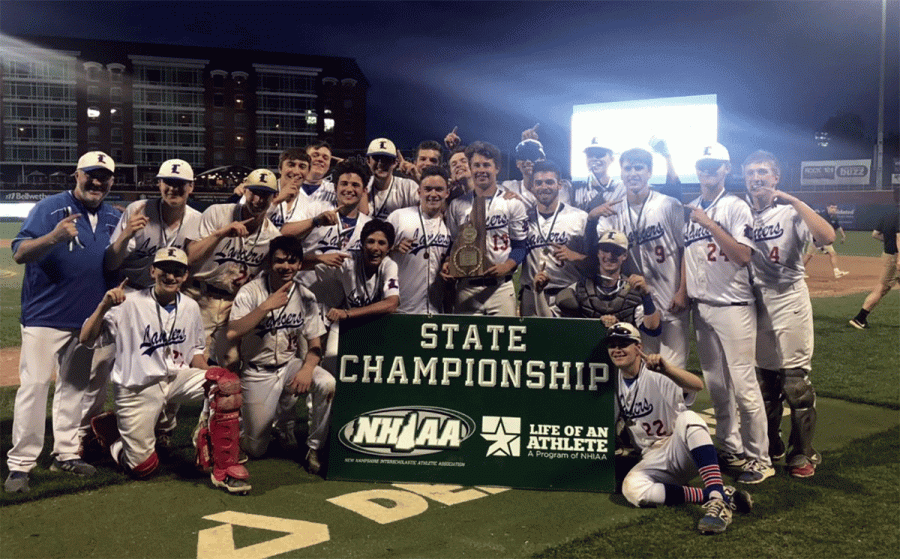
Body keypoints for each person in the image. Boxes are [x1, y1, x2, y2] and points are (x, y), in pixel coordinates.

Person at [79, 248, 250, 494]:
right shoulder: (129, 303)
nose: (171, 276)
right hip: (137, 386)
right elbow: (86, 338)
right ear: (152, 271)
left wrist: (213, 378)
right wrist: (105, 305)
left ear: (185, 275)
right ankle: (114, 439)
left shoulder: (190, 307)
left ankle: (226, 466)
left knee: (225, 385)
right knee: (143, 468)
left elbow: (195, 353)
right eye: (165, 270)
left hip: (175, 378)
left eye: (177, 271)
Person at [5, 151, 121, 493]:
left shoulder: (114, 217)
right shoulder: (50, 207)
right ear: (77, 175)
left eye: (104, 176)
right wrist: (53, 237)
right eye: (91, 175)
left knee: (73, 389)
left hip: (86, 320)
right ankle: (21, 464)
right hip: (45, 316)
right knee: (36, 386)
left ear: (112, 181)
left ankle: (66, 453)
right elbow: (20, 252)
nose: (97, 182)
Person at [606, 322, 752, 535]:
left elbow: (696, 385)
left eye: (624, 344)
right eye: (612, 345)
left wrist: (668, 369)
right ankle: (716, 495)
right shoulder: (612, 382)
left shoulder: (657, 373)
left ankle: (716, 502)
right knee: (632, 489)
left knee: (689, 418)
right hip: (652, 458)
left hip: (680, 449)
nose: (617, 349)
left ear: (638, 347)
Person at [683, 143, 772, 484]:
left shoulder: (735, 207)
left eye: (714, 165)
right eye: (703, 164)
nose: (707, 170)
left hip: (734, 307)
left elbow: (742, 256)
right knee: (717, 386)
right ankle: (730, 447)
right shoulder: (691, 207)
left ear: (725, 170)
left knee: (744, 385)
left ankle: (759, 458)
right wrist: (683, 291)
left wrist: (709, 224)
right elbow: (686, 257)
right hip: (702, 307)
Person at [744, 150, 831, 478]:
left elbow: (827, 237)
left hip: (789, 300)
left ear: (775, 177)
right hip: (757, 305)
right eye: (752, 172)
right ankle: (771, 442)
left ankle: (801, 452)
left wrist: (793, 200)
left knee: (795, 383)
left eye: (763, 172)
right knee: (765, 384)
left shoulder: (790, 213)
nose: (757, 178)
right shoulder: (741, 213)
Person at [226, 236, 335, 474]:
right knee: (255, 449)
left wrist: (307, 369)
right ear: (269, 262)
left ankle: (314, 447)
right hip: (257, 371)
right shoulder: (251, 291)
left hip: (288, 366)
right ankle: (255, 425)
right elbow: (234, 331)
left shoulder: (305, 295)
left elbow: (316, 342)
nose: (286, 267)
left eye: (292, 261)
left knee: (327, 384)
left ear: (299, 265)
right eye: (280, 261)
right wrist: (266, 306)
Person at [597, 148, 689, 368]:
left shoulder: (668, 204)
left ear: (649, 172)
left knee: (673, 369)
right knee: (644, 366)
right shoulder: (613, 211)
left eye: (639, 168)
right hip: (638, 304)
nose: (633, 173)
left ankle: (679, 404)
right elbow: (606, 256)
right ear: (621, 172)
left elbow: (685, 250)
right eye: (627, 168)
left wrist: (682, 291)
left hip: (671, 298)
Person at [186, 169, 280, 365]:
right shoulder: (217, 213)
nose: (258, 199)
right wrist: (220, 234)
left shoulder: (272, 236)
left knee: (231, 361)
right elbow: (191, 257)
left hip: (233, 303)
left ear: (274, 197)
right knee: (190, 362)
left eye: (265, 194)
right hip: (198, 296)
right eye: (253, 191)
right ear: (244, 191)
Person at [444, 141, 528, 316]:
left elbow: (521, 246)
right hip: (467, 287)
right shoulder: (457, 205)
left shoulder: (512, 202)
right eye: (476, 165)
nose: (481, 170)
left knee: (504, 340)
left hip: (500, 287)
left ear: (497, 168)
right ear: (470, 168)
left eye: (486, 165)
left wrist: (508, 265)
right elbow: (452, 245)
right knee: (465, 341)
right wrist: (447, 263)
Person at [283, 159, 373, 313]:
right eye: (344, 183)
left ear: (364, 191)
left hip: (340, 308)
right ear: (335, 187)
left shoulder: (368, 225)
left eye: (355, 185)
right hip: (302, 300)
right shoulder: (315, 209)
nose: (349, 189)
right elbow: (284, 234)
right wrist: (315, 221)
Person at [533, 229, 660, 335]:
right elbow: (548, 321)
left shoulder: (634, 290)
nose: (610, 256)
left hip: (621, 357)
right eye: (605, 250)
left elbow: (653, 330)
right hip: (586, 355)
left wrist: (646, 295)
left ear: (624, 256)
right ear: (598, 253)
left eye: (616, 251)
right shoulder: (579, 288)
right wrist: (538, 293)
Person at [316, 219, 400, 369]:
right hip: (347, 325)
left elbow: (392, 303)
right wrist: (318, 258)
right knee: (330, 362)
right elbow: (301, 264)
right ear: (362, 243)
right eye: (370, 241)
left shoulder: (389, 265)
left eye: (381, 243)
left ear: (390, 247)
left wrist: (348, 313)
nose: (375, 248)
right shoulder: (348, 261)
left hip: (378, 326)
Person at [106, 159, 202, 289]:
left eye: (180, 183)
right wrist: (126, 234)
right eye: (168, 182)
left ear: (191, 186)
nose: (173, 188)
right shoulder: (138, 210)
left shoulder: (197, 219)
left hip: (170, 293)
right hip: (131, 289)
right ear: (159, 184)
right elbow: (111, 263)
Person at [520, 160, 588, 316]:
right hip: (531, 293)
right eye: (539, 183)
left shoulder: (579, 217)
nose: (544, 187)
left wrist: (576, 256)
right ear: (532, 187)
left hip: (567, 294)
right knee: (531, 340)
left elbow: (594, 261)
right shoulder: (523, 218)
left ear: (559, 185)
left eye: (549, 182)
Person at [387, 165, 453, 314]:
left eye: (439, 189)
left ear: (447, 193)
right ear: (419, 192)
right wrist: (393, 248)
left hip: (435, 310)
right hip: (401, 308)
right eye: (428, 189)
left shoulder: (449, 225)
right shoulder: (399, 217)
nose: (433, 194)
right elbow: (374, 252)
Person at [849, 202, 899, 329]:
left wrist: (888, 240)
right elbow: (899, 237)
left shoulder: (888, 214)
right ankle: (860, 318)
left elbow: (875, 234)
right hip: (895, 257)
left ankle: (860, 318)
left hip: (888, 254)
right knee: (881, 288)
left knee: (882, 287)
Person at [365, 138, 419, 220]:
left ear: (395, 162)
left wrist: (418, 177)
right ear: (368, 161)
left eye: (386, 158)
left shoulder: (408, 186)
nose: (380, 163)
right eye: (376, 158)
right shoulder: (363, 186)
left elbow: (432, 206)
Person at [571, 140, 626, 218]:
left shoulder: (621, 189)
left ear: (612, 159)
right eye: (590, 155)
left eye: (600, 155)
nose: (594, 159)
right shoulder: (574, 188)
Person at [802, 204, 849, 279]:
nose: (834, 209)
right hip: (819, 239)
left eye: (835, 208)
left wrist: (843, 236)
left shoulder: (833, 217)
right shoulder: (823, 215)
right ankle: (836, 272)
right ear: (827, 208)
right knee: (831, 254)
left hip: (823, 239)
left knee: (810, 255)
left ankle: (800, 272)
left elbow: (838, 227)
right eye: (832, 207)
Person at [268, 149, 311, 229]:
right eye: (291, 165)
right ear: (280, 169)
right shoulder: (262, 191)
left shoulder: (308, 203)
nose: (296, 172)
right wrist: (275, 202)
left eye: (302, 167)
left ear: (308, 172)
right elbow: (248, 224)